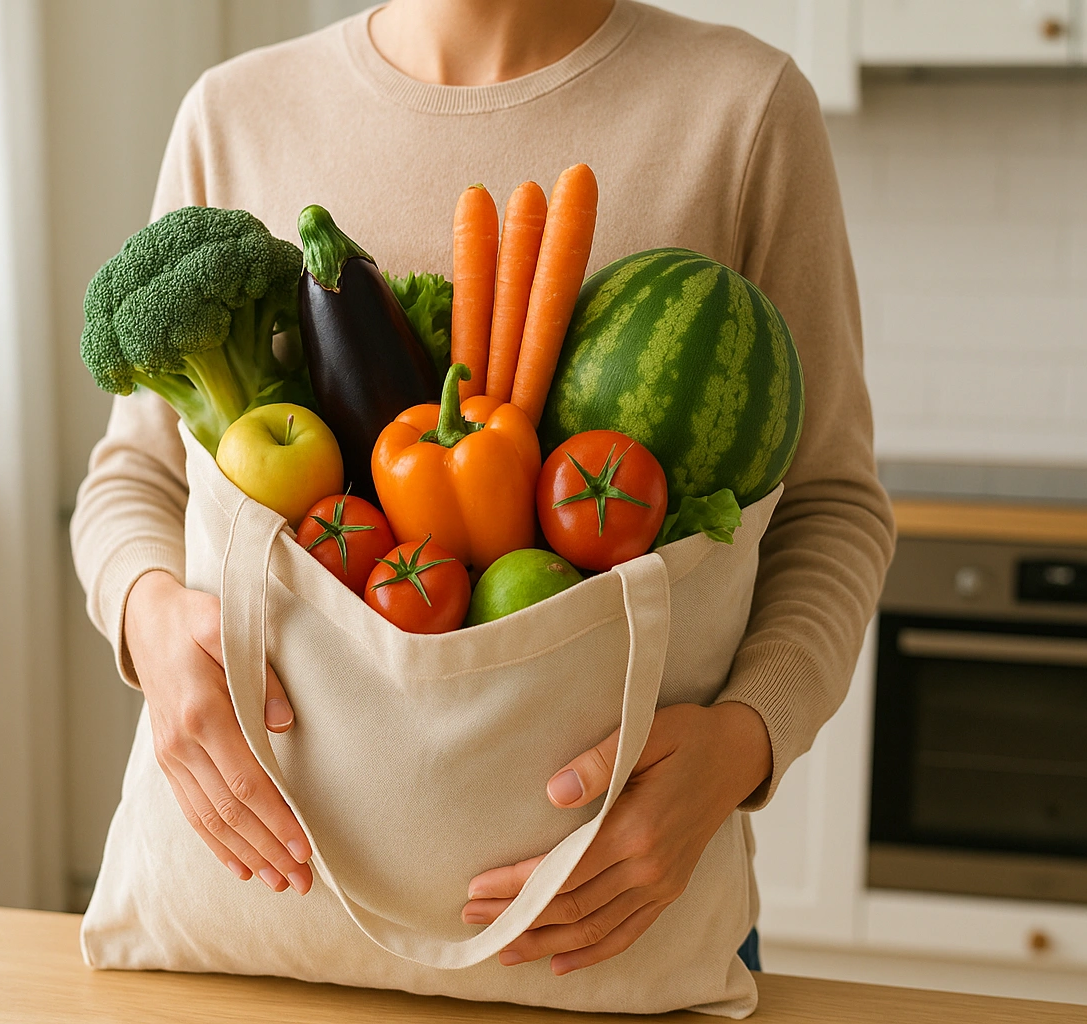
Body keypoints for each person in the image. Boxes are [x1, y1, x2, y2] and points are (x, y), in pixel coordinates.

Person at [70, 0, 894, 978]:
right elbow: (136, 474)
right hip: (262, 931)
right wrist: (149, 617)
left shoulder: (743, 112)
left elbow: (832, 504)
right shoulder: (237, 112)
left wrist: (744, 743)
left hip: (613, 919)